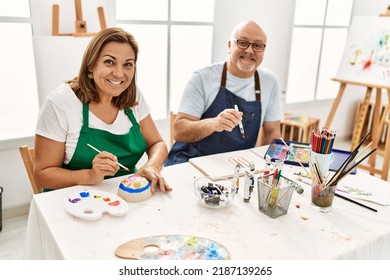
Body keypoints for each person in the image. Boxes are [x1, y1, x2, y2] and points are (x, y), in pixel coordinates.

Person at [34, 27, 171, 193]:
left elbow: (157, 143)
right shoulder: (60, 103)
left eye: (128, 64)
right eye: (109, 62)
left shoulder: (133, 96)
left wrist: (151, 166)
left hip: (125, 194)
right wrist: (89, 175)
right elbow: (42, 175)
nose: (119, 73)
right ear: (91, 65)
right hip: (73, 200)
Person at [165, 20, 282, 166]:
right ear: (229, 45)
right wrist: (214, 124)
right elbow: (179, 131)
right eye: (243, 42)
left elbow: (272, 132)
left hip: (237, 166)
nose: (250, 51)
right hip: (192, 162)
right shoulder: (203, 78)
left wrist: (274, 166)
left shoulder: (269, 81)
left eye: (257, 46)